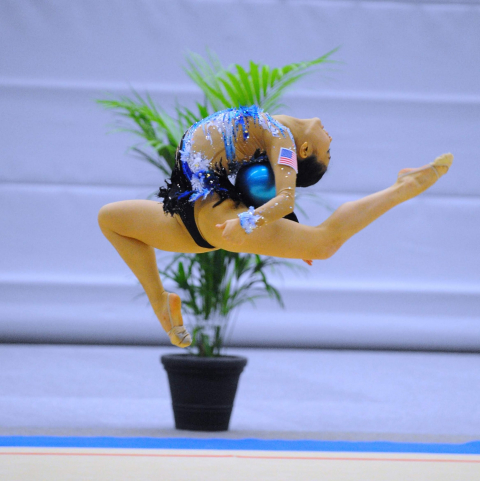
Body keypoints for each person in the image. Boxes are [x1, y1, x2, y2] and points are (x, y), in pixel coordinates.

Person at [97, 105, 453, 348]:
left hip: (217, 218)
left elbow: (285, 199)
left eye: (327, 152)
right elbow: (257, 185)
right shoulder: (269, 127)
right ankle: (160, 301)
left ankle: (404, 188)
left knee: (323, 243)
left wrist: (248, 221)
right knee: (110, 219)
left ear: (304, 149)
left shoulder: (280, 136)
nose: (331, 142)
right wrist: (288, 234)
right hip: (188, 214)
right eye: (331, 154)